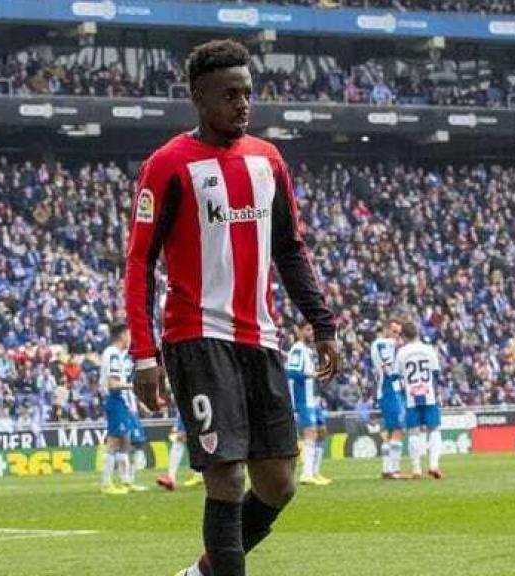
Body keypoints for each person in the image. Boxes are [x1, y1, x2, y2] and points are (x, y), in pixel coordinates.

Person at [124, 39, 340, 576]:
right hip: (196, 337)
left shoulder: (267, 160)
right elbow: (139, 263)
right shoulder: (168, 165)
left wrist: (322, 323)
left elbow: (290, 248)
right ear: (199, 98)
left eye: (246, 93)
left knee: (279, 482)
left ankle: (203, 571)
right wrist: (144, 354)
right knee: (227, 476)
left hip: (260, 338)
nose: (242, 104)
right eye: (228, 95)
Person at [395, 321, 444, 479]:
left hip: (411, 397)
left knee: (414, 432)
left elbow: (396, 377)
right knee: (434, 429)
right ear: (417, 333)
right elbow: (436, 373)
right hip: (429, 395)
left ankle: (416, 469)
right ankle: (433, 465)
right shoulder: (428, 349)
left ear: (403, 336)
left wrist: (403, 392)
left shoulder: (401, 353)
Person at [288, 323, 330, 486]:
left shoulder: (308, 351)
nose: (312, 333)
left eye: (313, 329)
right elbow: (292, 372)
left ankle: (315, 472)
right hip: (302, 399)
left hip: (313, 398)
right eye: (308, 329)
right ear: (299, 331)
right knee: (310, 432)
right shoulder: (298, 349)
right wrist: (312, 374)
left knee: (321, 432)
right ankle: (306, 474)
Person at [99, 324, 139, 495]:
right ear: (122, 335)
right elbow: (113, 384)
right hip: (116, 399)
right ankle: (106, 483)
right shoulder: (113, 354)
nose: (130, 337)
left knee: (125, 441)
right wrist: (133, 386)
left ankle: (125, 481)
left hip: (120, 401)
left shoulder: (112, 353)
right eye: (129, 334)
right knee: (114, 441)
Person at [371, 320, 406, 479]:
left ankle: (387, 468)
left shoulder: (384, 344)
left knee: (392, 430)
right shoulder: (382, 343)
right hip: (389, 391)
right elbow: (388, 368)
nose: (396, 336)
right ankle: (393, 469)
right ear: (385, 330)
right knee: (398, 429)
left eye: (399, 333)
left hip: (390, 391)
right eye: (394, 331)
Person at [157, 409, 204, 491]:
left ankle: (171, 477)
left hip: (191, 406)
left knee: (181, 438)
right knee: (191, 439)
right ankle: (199, 474)